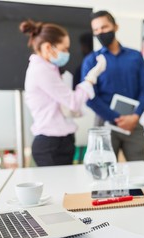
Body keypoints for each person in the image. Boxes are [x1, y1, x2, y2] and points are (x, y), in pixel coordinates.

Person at [20, 19, 106, 166]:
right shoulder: (41, 70)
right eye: (64, 49)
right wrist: (91, 78)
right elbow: (73, 102)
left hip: (61, 141)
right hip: (50, 144)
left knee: (64, 187)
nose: (67, 53)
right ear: (48, 47)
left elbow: (62, 104)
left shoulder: (49, 69)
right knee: (57, 188)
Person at [81, 10, 144, 162]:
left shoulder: (135, 56)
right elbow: (89, 97)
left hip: (133, 122)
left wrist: (135, 116)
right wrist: (117, 118)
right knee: (103, 174)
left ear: (115, 27)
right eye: (96, 30)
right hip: (104, 124)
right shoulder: (91, 61)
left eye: (104, 27)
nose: (100, 32)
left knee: (140, 171)